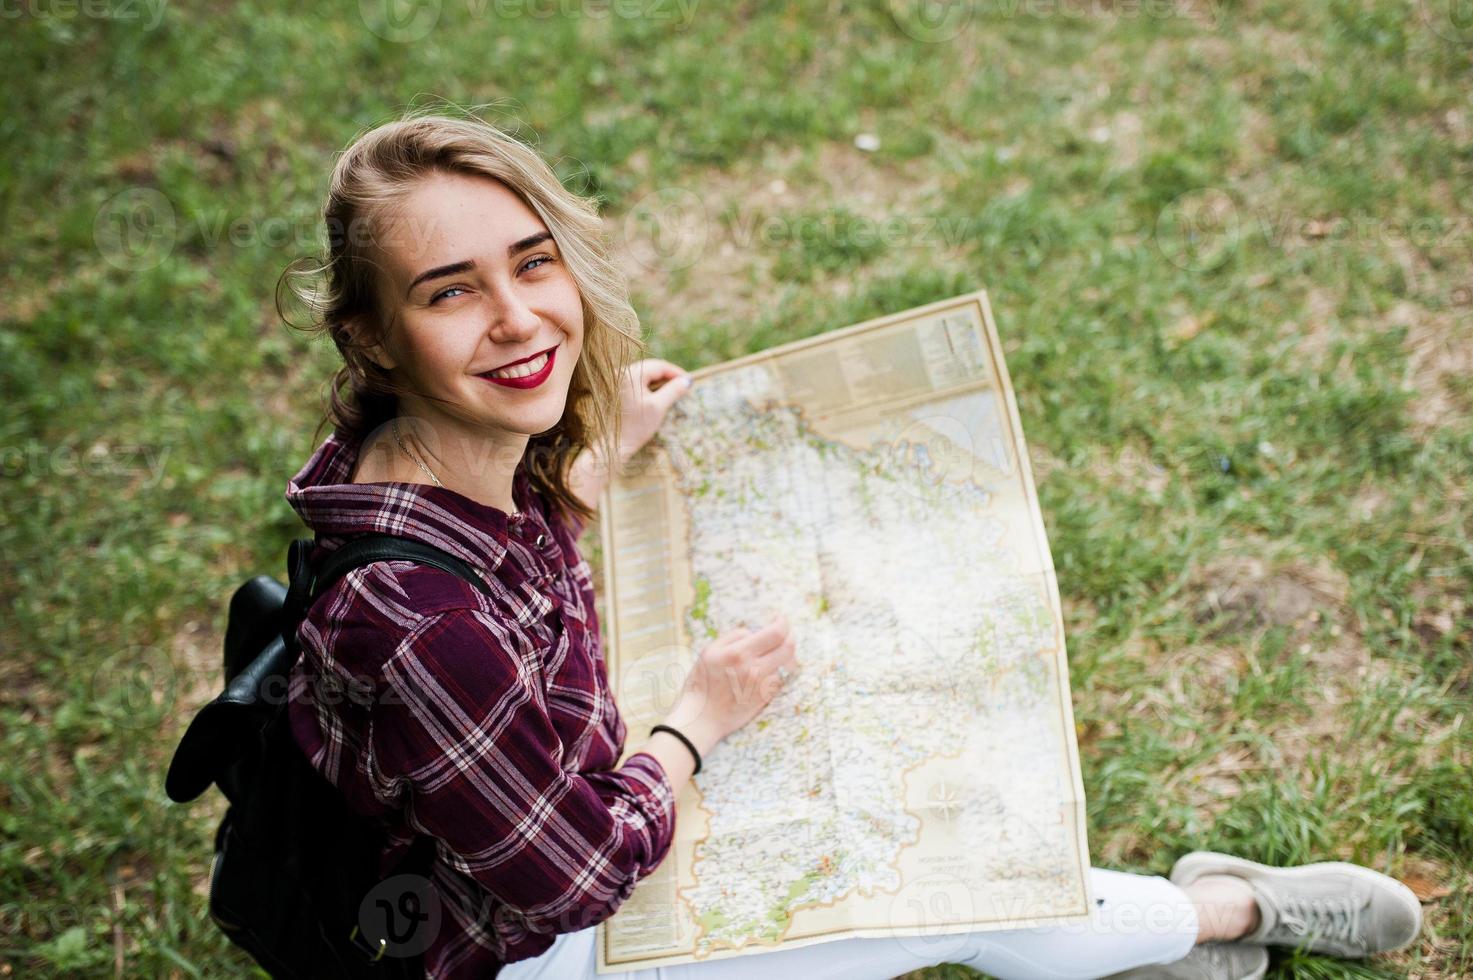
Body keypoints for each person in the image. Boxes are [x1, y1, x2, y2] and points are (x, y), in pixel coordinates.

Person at [278, 109, 1422, 980]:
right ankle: (1222, 909)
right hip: (521, 948)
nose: (520, 317)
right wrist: (697, 718)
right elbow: (576, 872)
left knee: (894, 792)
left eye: (532, 262)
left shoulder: (424, 459)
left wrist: (590, 463)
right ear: (373, 333)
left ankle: (1154, 937)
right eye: (450, 293)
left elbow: (502, 565)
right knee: (943, 874)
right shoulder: (418, 626)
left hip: (512, 838)